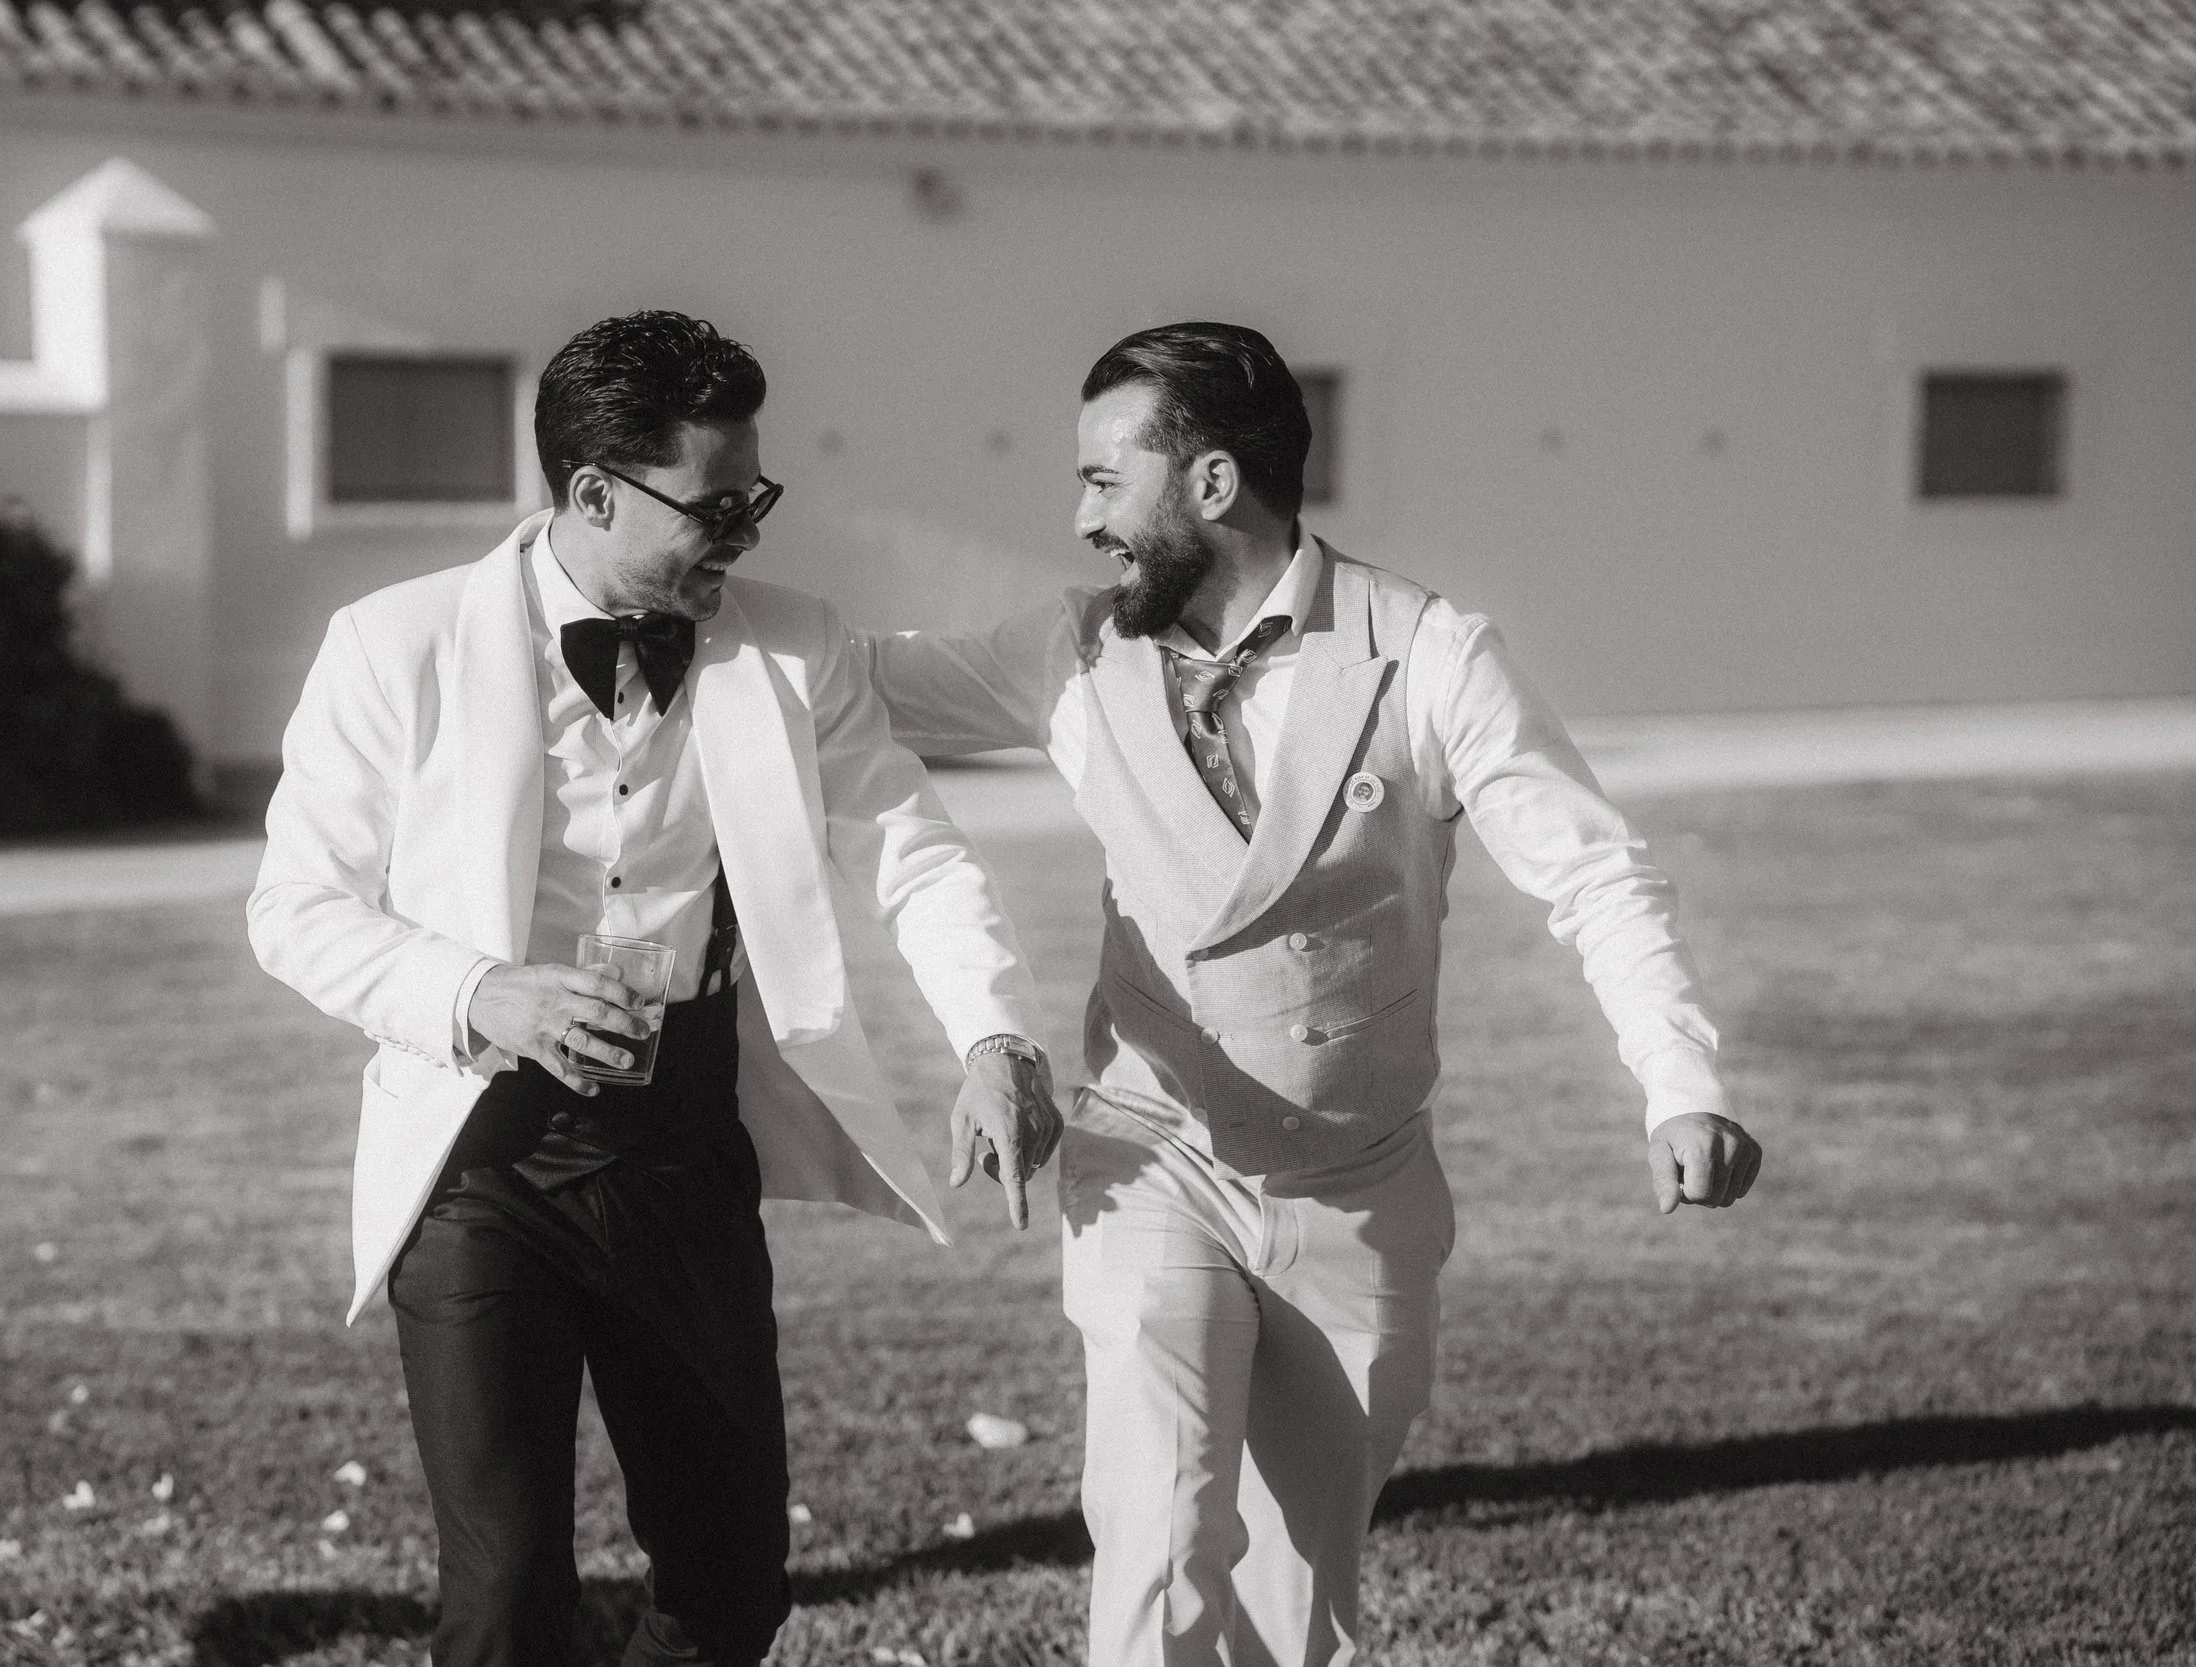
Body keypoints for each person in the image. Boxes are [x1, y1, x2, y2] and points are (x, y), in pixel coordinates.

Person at [864, 322, 1763, 1667]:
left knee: (1302, 1600)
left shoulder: (1431, 653)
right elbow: (847, 683)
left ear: (1212, 484)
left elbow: (1593, 873)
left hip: (1360, 1182)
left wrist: (1681, 1080)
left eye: (1106, 481)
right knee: (1156, 1543)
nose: (1080, 516)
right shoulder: (1066, 650)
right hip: (1150, 1151)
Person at [248, 311, 1062, 1667]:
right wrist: (479, 990)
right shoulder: (395, 644)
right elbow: (293, 905)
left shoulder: (795, 649)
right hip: (482, 1154)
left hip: (685, 1148)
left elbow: (911, 853)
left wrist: (993, 1033)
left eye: (757, 496)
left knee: (729, 1584)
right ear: (591, 493)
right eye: (717, 504)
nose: (744, 532)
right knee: (506, 1597)